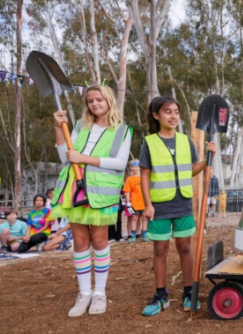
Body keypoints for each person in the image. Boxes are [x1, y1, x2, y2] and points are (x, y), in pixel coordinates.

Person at [50, 84, 132, 317]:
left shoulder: (122, 130)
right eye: (90, 101)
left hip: (100, 194)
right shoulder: (79, 126)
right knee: (80, 242)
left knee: (99, 240)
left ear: (108, 101)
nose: (94, 104)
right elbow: (64, 156)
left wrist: (83, 158)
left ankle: (100, 293)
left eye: (99, 100)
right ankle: (84, 293)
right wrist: (58, 127)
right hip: (75, 190)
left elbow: (119, 162)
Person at [139, 95, 216, 316]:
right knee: (160, 249)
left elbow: (191, 169)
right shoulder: (149, 143)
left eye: (175, 111)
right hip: (159, 206)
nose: (172, 116)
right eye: (167, 111)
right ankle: (161, 294)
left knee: (185, 247)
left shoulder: (185, 141)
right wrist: (147, 204)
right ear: (156, 115)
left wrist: (207, 158)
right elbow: (144, 176)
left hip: (183, 203)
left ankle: (189, 291)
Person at [123, 159, 148, 242]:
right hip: (134, 203)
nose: (134, 168)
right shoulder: (129, 179)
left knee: (144, 218)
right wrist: (128, 202)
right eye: (133, 167)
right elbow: (127, 191)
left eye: (136, 166)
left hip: (144, 203)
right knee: (134, 218)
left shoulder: (144, 177)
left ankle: (144, 234)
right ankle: (133, 234)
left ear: (139, 167)